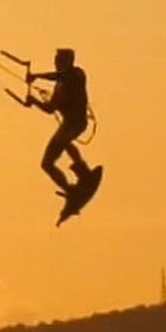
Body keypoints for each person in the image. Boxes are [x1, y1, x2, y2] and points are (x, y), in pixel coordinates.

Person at [25, 48, 100, 223]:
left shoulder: (77, 74)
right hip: (66, 126)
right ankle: (70, 191)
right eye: (56, 60)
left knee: (63, 140)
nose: (57, 63)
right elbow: (50, 108)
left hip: (78, 123)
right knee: (46, 164)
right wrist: (34, 101)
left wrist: (37, 75)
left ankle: (84, 172)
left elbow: (61, 76)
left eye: (60, 60)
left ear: (70, 61)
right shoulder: (59, 87)